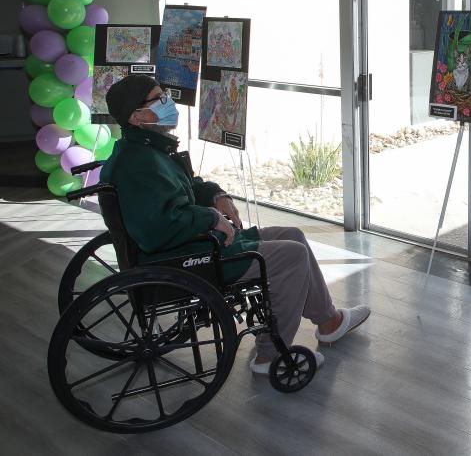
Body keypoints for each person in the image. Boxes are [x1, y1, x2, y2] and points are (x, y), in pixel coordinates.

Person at [100, 75, 369, 373]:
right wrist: (210, 217)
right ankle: (269, 356)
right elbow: (157, 230)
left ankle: (329, 321)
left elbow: (185, 186)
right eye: (159, 99)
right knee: (292, 256)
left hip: (192, 244)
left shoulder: (146, 150)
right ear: (137, 116)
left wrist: (216, 196)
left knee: (293, 234)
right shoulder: (139, 164)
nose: (169, 103)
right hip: (182, 258)